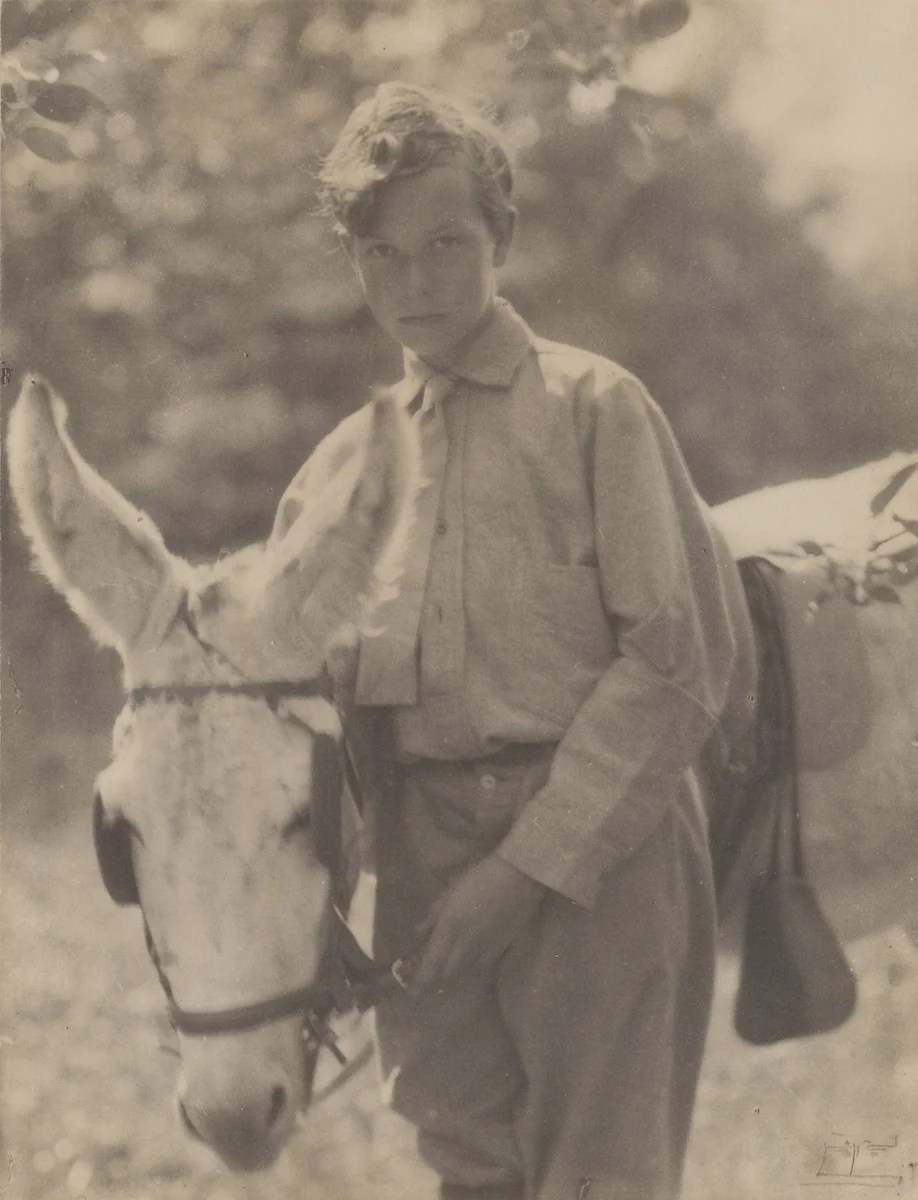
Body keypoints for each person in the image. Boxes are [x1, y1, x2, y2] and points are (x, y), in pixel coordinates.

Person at [311, 81, 746, 1200]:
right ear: (351, 258)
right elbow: (313, 720)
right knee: (467, 1165)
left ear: (501, 234)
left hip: (597, 858)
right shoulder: (338, 474)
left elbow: (676, 662)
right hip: (423, 870)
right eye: (380, 251)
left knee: (601, 1177)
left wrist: (522, 869)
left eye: (446, 241)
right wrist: (319, 902)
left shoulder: (594, 408)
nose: (414, 281)